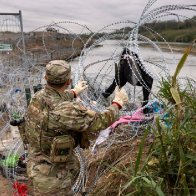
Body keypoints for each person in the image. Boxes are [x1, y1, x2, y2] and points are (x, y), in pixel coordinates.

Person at [24, 60, 128, 195]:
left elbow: (54, 99)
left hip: (36, 165)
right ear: (68, 81)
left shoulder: (37, 97)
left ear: (46, 78)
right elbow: (99, 121)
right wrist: (117, 103)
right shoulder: (67, 111)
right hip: (54, 178)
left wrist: (74, 92)